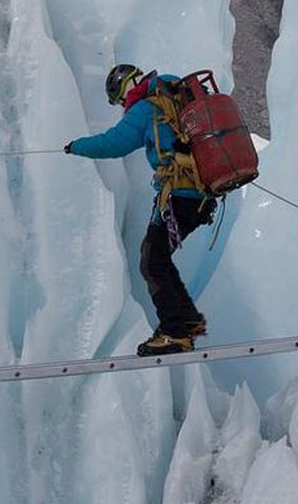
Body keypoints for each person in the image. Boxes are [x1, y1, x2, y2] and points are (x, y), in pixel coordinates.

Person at [64, 64, 216, 356]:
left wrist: (76, 147)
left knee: (152, 260)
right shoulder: (175, 95)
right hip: (201, 194)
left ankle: (175, 332)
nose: (123, 105)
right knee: (158, 257)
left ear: (127, 87)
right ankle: (187, 320)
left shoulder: (146, 107)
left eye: (121, 98)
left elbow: (114, 143)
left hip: (180, 194)